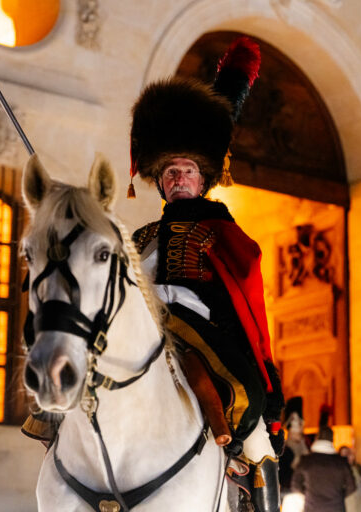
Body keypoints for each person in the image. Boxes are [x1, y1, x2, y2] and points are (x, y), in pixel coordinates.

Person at [128, 37, 285, 512]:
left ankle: (263, 497)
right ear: (160, 178)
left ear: (204, 178)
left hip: (203, 335)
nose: (178, 177)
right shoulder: (141, 235)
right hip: (142, 330)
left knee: (252, 421)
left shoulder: (223, 231)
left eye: (187, 170)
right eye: (170, 171)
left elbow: (244, 303)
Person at [292, 427, 356, 511]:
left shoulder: (306, 461)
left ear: (317, 439)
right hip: (336, 508)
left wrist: (308, 494)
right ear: (332, 440)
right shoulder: (341, 462)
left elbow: (295, 485)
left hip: (312, 507)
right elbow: (352, 487)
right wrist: (339, 496)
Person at [339, 445, 361, 512]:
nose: (347, 456)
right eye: (344, 454)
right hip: (346, 505)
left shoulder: (359, 469)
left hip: (360, 503)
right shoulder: (338, 471)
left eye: (349, 453)